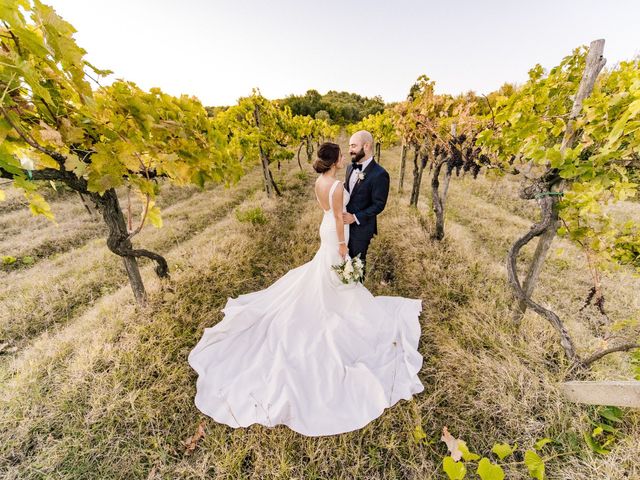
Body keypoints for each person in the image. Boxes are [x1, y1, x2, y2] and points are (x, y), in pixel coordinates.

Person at [188, 142, 423, 437]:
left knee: (324, 274)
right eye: (341, 152)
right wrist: (342, 246)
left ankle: (335, 301)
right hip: (335, 232)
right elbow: (338, 217)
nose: (344, 154)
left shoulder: (319, 182)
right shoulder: (337, 185)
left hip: (324, 227)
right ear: (336, 160)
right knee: (334, 272)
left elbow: (327, 212)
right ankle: (336, 310)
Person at [343, 130, 390, 275]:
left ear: (367, 146)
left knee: (357, 265)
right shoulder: (350, 167)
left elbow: (378, 205)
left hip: (361, 227)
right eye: (350, 146)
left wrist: (355, 217)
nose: (350, 150)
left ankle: (357, 295)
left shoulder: (380, 174)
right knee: (343, 260)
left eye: (353, 146)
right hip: (343, 225)